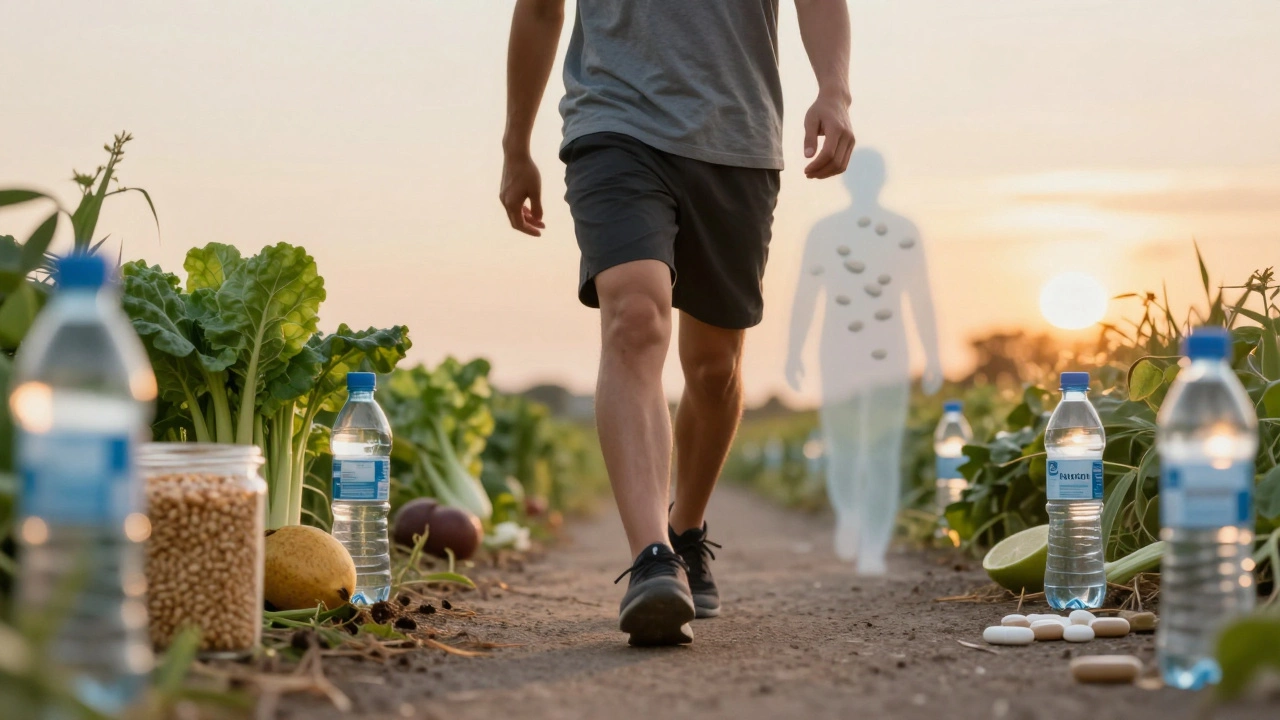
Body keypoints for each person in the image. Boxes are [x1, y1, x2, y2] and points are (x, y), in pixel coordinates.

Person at [500, 0, 854, 647]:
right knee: (634, 319)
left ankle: (684, 529)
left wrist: (834, 90)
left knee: (714, 369)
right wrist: (515, 145)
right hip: (614, 125)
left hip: (737, 138)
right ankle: (652, 560)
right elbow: (541, 10)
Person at [785, 148, 942, 574]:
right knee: (843, 444)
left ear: (881, 180)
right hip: (838, 349)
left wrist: (932, 354)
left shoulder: (904, 230)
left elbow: (921, 296)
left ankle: (873, 546)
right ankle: (850, 513)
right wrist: (794, 350)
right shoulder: (824, 232)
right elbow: (806, 293)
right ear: (847, 180)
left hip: (889, 351)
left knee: (883, 450)